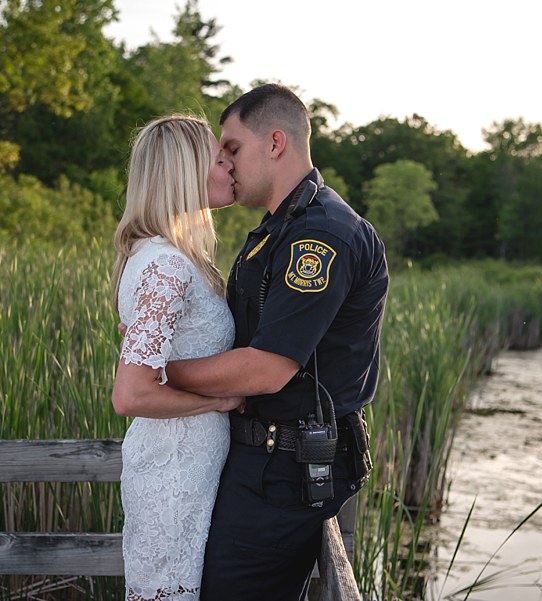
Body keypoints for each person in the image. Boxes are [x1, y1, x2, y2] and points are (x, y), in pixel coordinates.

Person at [164, 84, 390, 600]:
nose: (224, 163)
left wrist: (162, 369)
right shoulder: (279, 227)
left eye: (232, 148)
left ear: (275, 143)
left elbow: (268, 369)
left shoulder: (321, 233)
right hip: (263, 461)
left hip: (284, 472)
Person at [110, 115, 243, 601]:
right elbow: (131, 393)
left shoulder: (168, 257)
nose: (229, 165)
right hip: (173, 477)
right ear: (186, 173)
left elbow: (156, 359)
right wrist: (216, 402)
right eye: (217, 157)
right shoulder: (165, 264)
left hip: (188, 470)